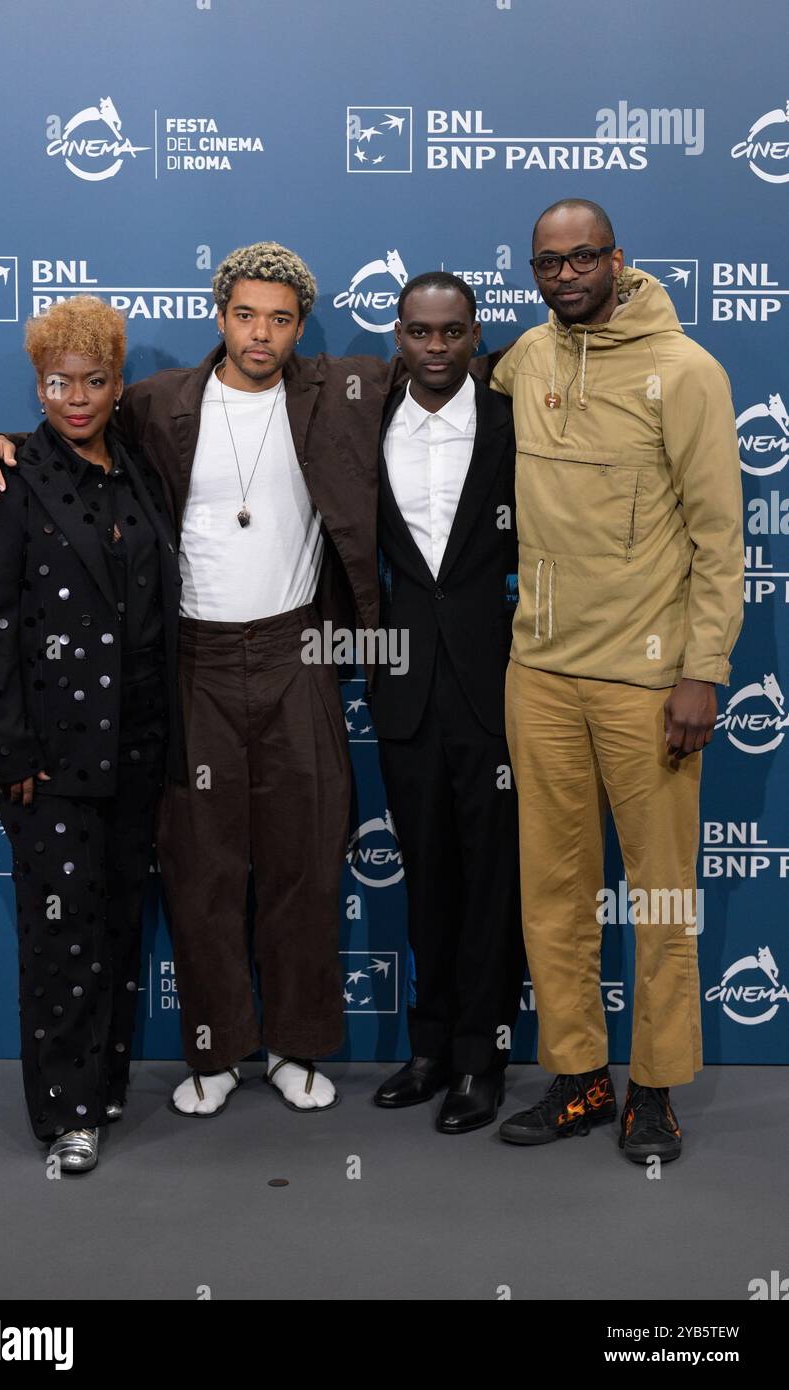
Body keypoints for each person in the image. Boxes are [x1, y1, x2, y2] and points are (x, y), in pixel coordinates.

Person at [0, 243, 410, 1118]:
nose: (260, 332)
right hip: (191, 662)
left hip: (300, 656)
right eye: (245, 314)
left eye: (280, 319)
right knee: (201, 869)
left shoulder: (338, 393)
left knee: (304, 862)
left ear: (299, 328)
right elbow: (68, 425)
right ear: (219, 316)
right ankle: (215, 1050)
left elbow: (445, 360)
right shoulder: (159, 404)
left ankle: (296, 1046)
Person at [491, 199, 744, 1163]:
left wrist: (701, 674)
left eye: (581, 257)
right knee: (553, 891)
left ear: (616, 259)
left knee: (663, 895)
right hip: (540, 674)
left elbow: (721, 540)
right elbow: (432, 381)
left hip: (649, 687)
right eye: (546, 262)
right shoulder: (528, 357)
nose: (563, 275)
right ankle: (580, 1078)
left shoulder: (686, 373)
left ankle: (655, 1089)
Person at [0, 296, 183, 1172]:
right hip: (49, 760)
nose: (76, 398)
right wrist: (8, 751)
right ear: (37, 384)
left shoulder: (141, 472)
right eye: (58, 383)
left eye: (93, 381)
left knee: (119, 926)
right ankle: (67, 1113)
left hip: (139, 744)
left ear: (118, 383)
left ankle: (106, 1081)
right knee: (62, 934)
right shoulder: (4, 477)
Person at [370, 272, 524, 1134]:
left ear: (475, 335)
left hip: (497, 682)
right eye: (419, 332)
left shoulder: (513, 419)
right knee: (425, 874)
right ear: (398, 334)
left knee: (491, 881)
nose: (434, 347)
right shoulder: (364, 419)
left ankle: (481, 1057)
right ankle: (428, 1048)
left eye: (451, 332)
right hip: (402, 686)